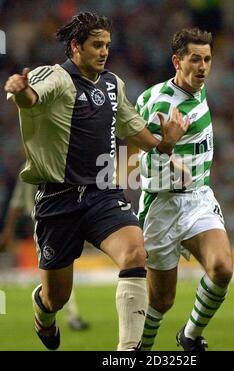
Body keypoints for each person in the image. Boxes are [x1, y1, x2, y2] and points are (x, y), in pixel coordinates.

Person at [4, 12, 188, 351]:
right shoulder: (56, 77)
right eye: (96, 45)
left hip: (103, 193)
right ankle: (43, 312)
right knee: (56, 297)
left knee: (135, 252)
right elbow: (32, 97)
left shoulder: (112, 84)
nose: (103, 52)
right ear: (75, 46)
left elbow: (134, 128)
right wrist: (20, 91)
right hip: (57, 200)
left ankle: (128, 351)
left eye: (106, 45)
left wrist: (166, 145)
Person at [136, 27, 234, 351]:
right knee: (162, 301)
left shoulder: (199, 88)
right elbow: (143, 168)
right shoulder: (156, 104)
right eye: (195, 59)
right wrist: (167, 145)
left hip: (198, 198)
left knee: (222, 268)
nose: (203, 67)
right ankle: (143, 348)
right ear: (177, 61)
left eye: (207, 59)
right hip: (161, 206)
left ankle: (189, 336)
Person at [0, 175, 90, 331]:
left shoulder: (40, 163)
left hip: (58, 218)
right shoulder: (29, 169)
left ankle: (67, 315)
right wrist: (8, 231)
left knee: (60, 268)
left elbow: (16, 203)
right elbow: (17, 203)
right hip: (44, 221)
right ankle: (64, 315)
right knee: (58, 269)